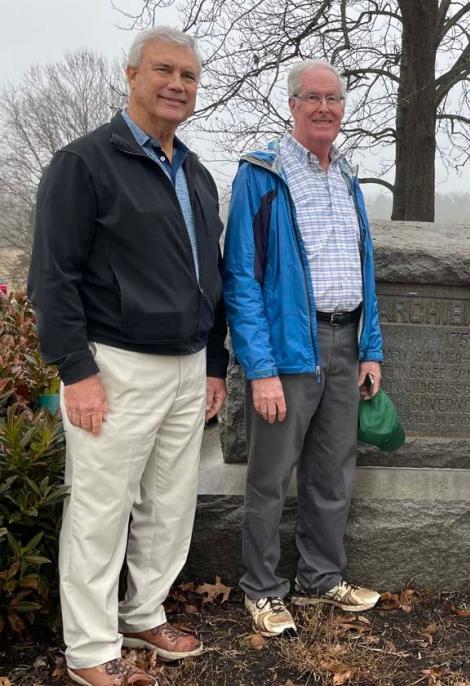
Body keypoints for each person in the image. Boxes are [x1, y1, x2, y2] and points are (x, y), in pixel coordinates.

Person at [27, 27, 228, 686]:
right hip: (113, 365)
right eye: (164, 70)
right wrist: (75, 371)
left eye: (189, 76)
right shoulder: (83, 164)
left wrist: (216, 364)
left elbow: (213, 275)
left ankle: (143, 611)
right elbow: (52, 278)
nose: (177, 84)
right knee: (100, 509)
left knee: (170, 505)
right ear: (132, 74)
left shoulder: (194, 174)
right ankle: (89, 649)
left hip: (187, 365)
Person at [223, 59, 384, 638]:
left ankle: (321, 577)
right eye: (311, 97)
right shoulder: (261, 175)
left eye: (333, 99)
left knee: (333, 472)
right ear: (292, 105)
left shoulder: (346, 177)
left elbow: (366, 269)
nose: (324, 108)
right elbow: (241, 276)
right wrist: (260, 368)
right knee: (271, 476)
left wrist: (371, 348)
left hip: (346, 342)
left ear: (343, 108)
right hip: (291, 348)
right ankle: (262, 590)